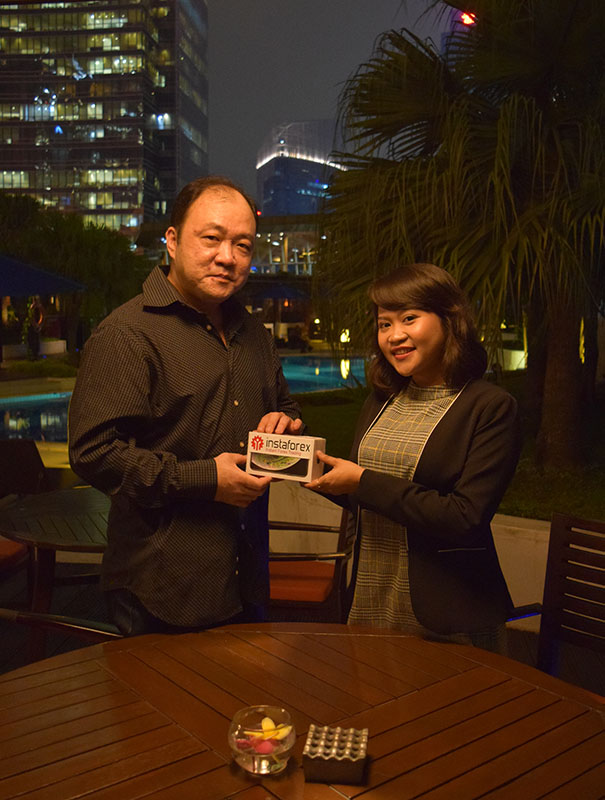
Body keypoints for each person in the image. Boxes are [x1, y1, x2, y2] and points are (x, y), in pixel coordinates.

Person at [69, 176, 303, 635]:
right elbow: (94, 454)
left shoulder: (254, 335)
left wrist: (286, 425)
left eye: (242, 245)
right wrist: (207, 479)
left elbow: (287, 407)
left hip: (247, 575)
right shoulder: (127, 334)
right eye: (211, 238)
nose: (227, 257)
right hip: (161, 589)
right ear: (173, 241)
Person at [306, 263, 521, 652]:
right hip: (370, 596)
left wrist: (361, 481)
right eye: (384, 324)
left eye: (409, 318)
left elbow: (465, 518)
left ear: (449, 320)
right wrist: (304, 465)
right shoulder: (383, 399)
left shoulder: (489, 407)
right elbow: (364, 496)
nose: (394, 335)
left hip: (447, 612)